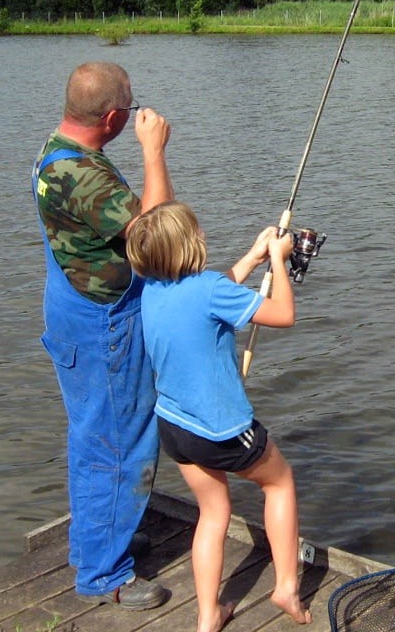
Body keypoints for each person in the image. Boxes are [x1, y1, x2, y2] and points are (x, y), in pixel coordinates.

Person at [127, 201, 313, 632]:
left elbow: (213, 295)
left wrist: (253, 256)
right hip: (222, 431)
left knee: (214, 512)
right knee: (279, 482)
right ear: (189, 245)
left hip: (174, 427)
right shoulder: (209, 290)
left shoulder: (152, 291)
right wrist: (280, 264)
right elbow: (283, 315)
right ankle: (286, 587)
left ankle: (208, 615)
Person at [31, 61, 173, 609]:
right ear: (113, 117)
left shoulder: (56, 149)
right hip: (103, 322)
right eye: (132, 108)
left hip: (73, 312)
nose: (137, 116)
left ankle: (97, 537)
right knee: (119, 442)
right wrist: (154, 152)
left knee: (93, 435)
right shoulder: (83, 175)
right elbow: (155, 235)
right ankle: (104, 573)